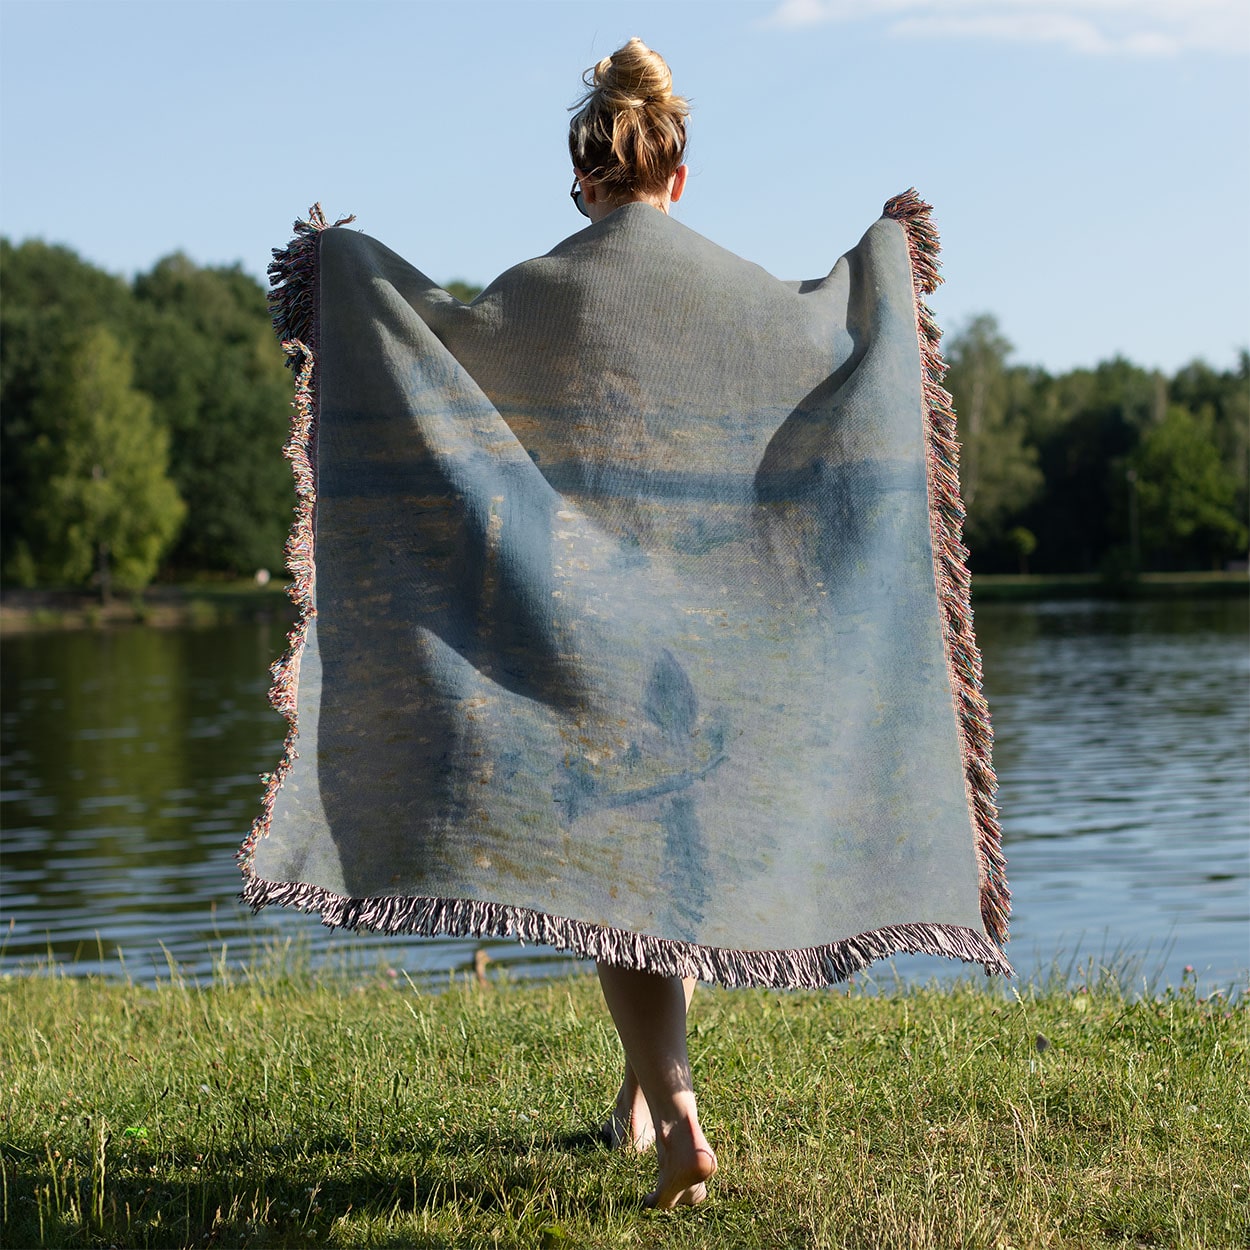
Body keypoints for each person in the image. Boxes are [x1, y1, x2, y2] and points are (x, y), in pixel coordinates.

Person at [563, 36, 717, 1212]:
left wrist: (345, 275)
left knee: (616, 879)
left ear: (584, 181)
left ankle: (677, 1119)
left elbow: (441, 366)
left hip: (592, 622)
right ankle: (632, 1100)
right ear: (675, 174)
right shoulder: (726, 289)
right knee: (669, 862)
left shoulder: (545, 287)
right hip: (710, 626)